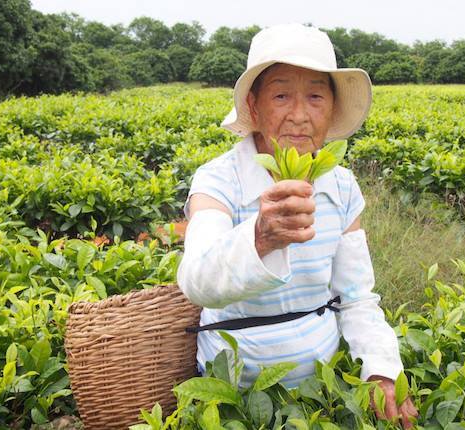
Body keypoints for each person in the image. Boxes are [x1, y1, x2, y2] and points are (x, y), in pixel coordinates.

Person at [177, 23, 418, 427]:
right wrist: (261, 236)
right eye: (282, 94)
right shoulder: (218, 180)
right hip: (236, 393)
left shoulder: (340, 186)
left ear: (332, 109)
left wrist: (380, 369)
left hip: (319, 392)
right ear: (254, 107)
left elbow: (357, 297)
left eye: (315, 96)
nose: (300, 115)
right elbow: (197, 281)